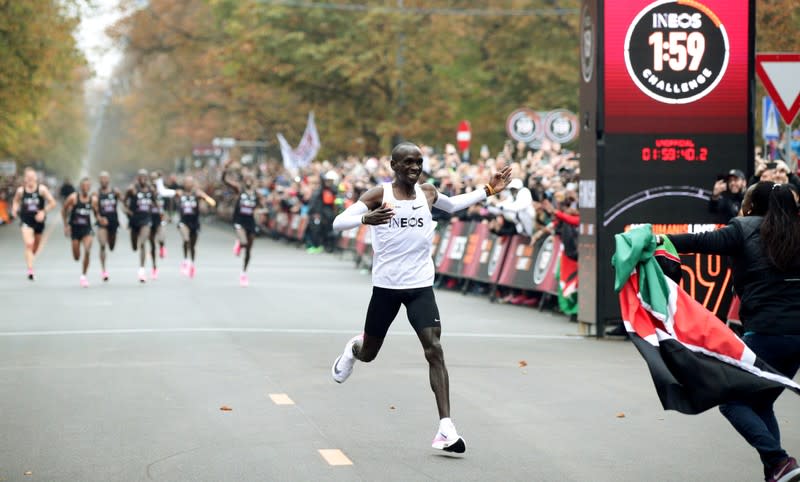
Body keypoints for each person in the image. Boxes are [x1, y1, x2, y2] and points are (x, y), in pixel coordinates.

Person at [329, 142, 512, 453]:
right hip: (386, 287)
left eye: (418, 162)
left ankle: (446, 429)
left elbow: (453, 205)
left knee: (435, 348)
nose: (414, 168)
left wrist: (488, 190)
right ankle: (353, 348)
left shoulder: (427, 192)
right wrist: (365, 220)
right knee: (370, 352)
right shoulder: (379, 195)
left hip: (420, 285)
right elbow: (338, 222)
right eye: (407, 163)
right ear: (393, 166)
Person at [666, 183, 800, 482]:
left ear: (750, 205)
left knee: (731, 400)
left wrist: (658, 240)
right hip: (795, 337)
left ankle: (778, 461)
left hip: (766, 332)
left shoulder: (743, 228)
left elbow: (698, 242)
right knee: (762, 402)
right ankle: (777, 473)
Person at [222, 160, 265, 287]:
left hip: (250, 221)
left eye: (251, 179)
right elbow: (225, 181)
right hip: (239, 220)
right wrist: (225, 169)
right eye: (247, 178)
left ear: (254, 181)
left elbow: (261, 205)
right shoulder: (239, 189)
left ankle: (244, 273)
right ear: (244, 180)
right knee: (244, 241)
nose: (249, 180)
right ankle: (239, 243)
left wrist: (261, 207)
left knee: (249, 250)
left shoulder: (257, 194)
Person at [10, 167, 57, 280]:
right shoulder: (21, 191)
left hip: (39, 221)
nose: (30, 179)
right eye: (28, 177)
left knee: (35, 247)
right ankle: (30, 270)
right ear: (25, 179)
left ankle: (30, 257)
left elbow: (52, 203)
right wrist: (14, 209)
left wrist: (43, 211)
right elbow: (16, 201)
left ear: (36, 178)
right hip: (26, 220)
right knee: (29, 244)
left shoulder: (42, 189)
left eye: (32, 177)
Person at [175, 175, 216, 278]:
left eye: (190, 182)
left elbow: (211, 202)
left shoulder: (197, 194)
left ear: (193, 184)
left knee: (192, 246)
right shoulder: (180, 193)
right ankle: (185, 261)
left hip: (194, 222)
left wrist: (205, 199)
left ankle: (192, 264)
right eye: (186, 182)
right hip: (183, 221)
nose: (188, 184)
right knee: (186, 239)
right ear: (184, 184)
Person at [123, 169, 155, 283]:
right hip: (134, 220)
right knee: (134, 246)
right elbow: (123, 203)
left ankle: (141, 270)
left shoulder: (151, 190)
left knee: (142, 243)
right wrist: (127, 212)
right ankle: (136, 245)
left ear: (147, 178)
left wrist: (158, 213)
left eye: (145, 176)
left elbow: (155, 203)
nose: (143, 178)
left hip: (146, 219)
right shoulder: (132, 189)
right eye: (140, 176)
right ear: (137, 178)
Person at [62, 178, 94, 287]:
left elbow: (97, 212)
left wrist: (101, 219)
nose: (86, 188)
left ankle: (84, 276)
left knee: (87, 249)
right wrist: (66, 225)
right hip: (75, 229)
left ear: (90, 187)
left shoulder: (92, 200)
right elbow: (64, 210)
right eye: (84, 186)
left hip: (87, 229)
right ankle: (78, 258)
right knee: (76, 257)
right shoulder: (73, 198)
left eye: (88, 186)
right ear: (80, 187)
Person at [94, 171, 122, 282]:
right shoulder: (96, 194)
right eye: (102, 179)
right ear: (99, 180)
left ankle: (111, 241)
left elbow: (124, 202)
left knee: (111, 246)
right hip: (102, 223)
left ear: (108, 180)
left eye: (105, 178)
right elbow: (94, 209)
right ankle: (104, 270)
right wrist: (99, 218)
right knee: (102, 244)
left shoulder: (114, 192)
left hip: (113, 222)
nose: (104, 180)